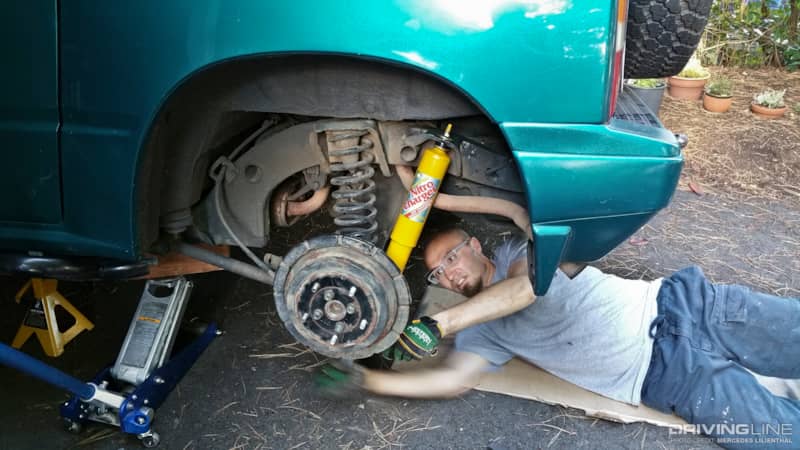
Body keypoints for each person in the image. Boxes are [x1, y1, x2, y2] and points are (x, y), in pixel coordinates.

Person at [317, 228, 800, 449]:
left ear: (477, 246)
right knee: (779, 438)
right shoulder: (481, 331)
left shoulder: (523, 250)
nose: (449, 275)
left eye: (453, 258)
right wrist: (373, 383)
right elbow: (454, 380)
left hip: (687, 306)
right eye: (439, 274)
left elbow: (527, 289)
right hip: (669, 376)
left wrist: (441, 324)